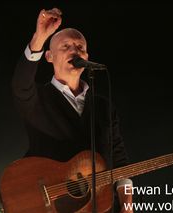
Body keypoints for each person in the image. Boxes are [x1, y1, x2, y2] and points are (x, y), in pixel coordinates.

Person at [12, 8, 133, 213]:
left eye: (80, 47)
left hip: (100, 206)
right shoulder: (39, 99)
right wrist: (39, 38)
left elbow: (118, 158)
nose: (74, 51)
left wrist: (127, 206)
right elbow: (21, 86)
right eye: (66, 46)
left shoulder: (103, 106)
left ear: (87, 56)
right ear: (49, 56)